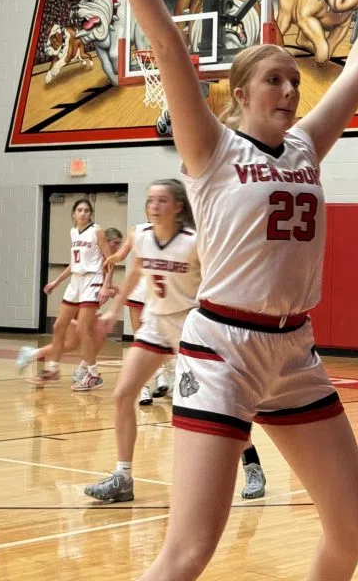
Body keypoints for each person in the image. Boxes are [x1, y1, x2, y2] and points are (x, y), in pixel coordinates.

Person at [52, 0, 358, 580]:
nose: (290, 88)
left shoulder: (309, 144)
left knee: (353, 526)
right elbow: (164, 47)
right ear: (241, 93)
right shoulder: (213, 150)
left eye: (294, 81)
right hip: (222, 348)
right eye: (274, 79)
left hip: (295, 351)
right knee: (189, 551)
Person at [85, 180, 267, 503]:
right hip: (156, 322)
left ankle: (251, 462)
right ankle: (123, 477)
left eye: (161, 200)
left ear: (178, 206)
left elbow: (219, 280)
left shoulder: (194, 242)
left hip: (191, 325)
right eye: (150, 200)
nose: (153, 206)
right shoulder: (141, 236)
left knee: (215, 406)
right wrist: (113, 310)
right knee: (123, 393)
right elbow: (136, 273)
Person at [18, 199, 113, 389]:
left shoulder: (97, 231)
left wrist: (106, 285)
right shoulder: (73, 232)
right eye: (79, 210)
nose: (83, 213)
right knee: (59, 325)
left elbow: (110, 260)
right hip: (76, 280)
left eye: (87, 210)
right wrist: (56, 281)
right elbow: (73, 264)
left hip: (92, 280)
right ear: (74, 214)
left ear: (91, 213)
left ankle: (94, 374)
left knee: (82, 329)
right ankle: (52, 369)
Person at [103, 218, 172, 403]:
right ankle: (144, 389)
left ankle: (162, 376)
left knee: (164, 341)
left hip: (160, 294)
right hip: (140, 290)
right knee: (140, 341)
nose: (155, 207)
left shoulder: (176, 231)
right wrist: (113, 258)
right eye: (151, 203)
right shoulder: (138, 230)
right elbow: (122, 254)